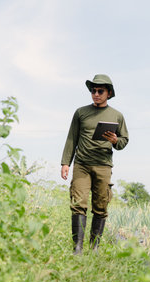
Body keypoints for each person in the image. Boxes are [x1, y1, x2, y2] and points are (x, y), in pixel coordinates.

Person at [61, 74, 129, 254]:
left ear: (109, 93)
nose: (96, 94)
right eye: (93, 90)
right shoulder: (81, 112)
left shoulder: (117, 115)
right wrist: (65, 163)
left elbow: (124, 141)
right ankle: (78, 248)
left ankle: (95, 247)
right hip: (82, 164)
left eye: (100, 91)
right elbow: (71, 138)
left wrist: (115, 140)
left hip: (103, 165)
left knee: (101, 206)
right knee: (78, 203)